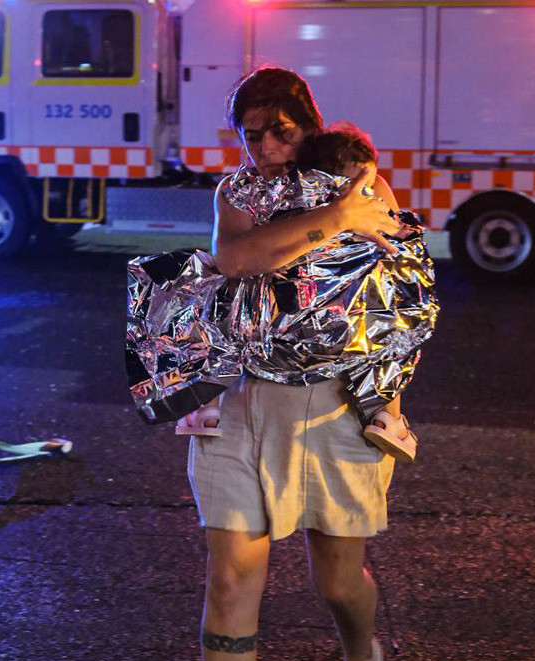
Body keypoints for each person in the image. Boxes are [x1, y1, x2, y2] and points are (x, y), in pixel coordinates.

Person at [189, 66, 403, 661]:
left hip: (334, 401)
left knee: (337, 580)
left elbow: (394, 283)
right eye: (250, 135)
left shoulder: (360, 180)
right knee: (231, 580)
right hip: (241, 399)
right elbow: (237, 259)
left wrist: (389, 397)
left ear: (310, 125)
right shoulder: (237, 191)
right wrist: (335, 219)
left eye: (280, 133)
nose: (265, 150)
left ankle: (361, 655)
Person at [177, 121, 421, 462]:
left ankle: (205, 405)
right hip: (348, 316)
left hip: (278, 313)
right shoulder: (366, 196)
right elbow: (395, 237)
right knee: (393, 333)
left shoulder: (285, 197)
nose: (267, 148)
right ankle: (387, 417)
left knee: (208, 306)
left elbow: (241, 258)